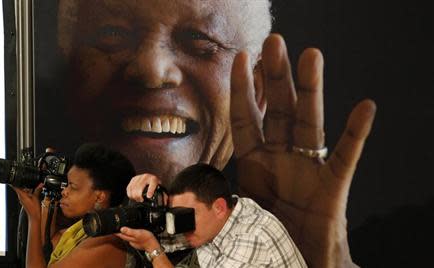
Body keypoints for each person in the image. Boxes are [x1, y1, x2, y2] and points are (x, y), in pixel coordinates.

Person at [48, 0, 377, 266]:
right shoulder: (206, 221)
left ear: (255, 88)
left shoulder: (248, 237)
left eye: (199, 41)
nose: (152, 69)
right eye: (113, 35)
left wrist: (328, 261)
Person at [118, 163, 307, 268]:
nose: (182, 225)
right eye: (177, 215)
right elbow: (166, 239)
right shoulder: (224, 214)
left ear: (219, 207)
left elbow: (156, 245)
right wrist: (142, 202)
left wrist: (153, 249)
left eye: (186, 216)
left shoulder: (252, 237)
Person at [13, 143, 135, 267]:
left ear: (99, 197)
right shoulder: (82, 231)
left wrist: (34, 217)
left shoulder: (106, 242)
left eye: (73, 187)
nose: (64, 191)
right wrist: (49, 196)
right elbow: (47, 243)